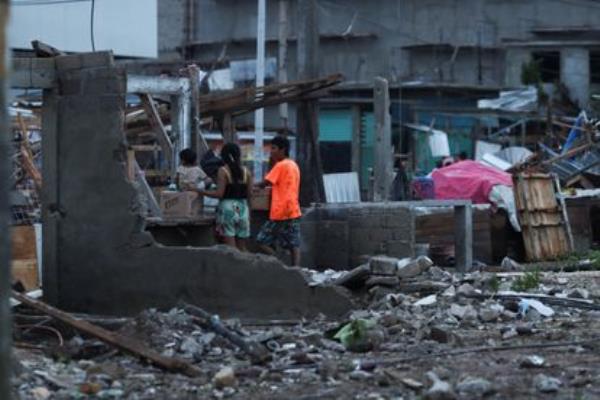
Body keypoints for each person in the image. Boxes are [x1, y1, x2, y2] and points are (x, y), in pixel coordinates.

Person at [256, 135, 302, 266]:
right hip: (293, 209)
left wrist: (250, 186)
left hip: (280, 210)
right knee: (294, 243)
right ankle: (296, 269)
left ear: (283, 149)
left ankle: (279, 262)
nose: (271, 151)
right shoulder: (293, 165)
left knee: (261, 241)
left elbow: (265, 183)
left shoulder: (280, 165)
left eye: (274, 148)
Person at [199, 143, 252, 251]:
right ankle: (247, 267)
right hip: (243, 209)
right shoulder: (247, 172)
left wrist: (200, 191)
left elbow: (219, 194)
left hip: (228, 210)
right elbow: (250, 194)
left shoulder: (223, 171)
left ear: (224, 156)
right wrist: (249, 212)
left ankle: (232, 268)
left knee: (231, 248)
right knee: (242, 247)